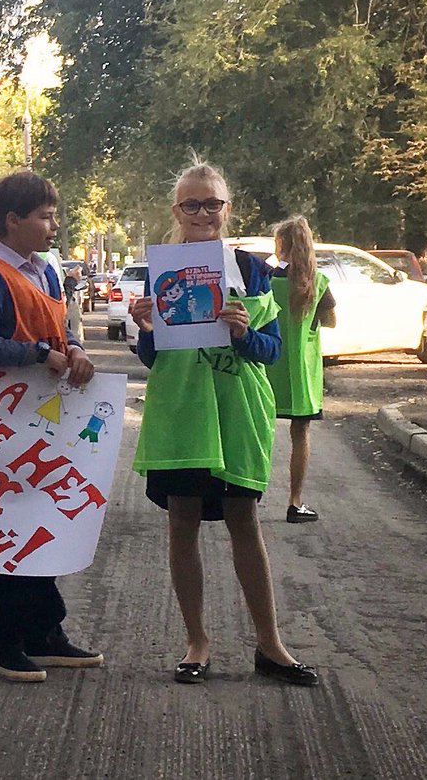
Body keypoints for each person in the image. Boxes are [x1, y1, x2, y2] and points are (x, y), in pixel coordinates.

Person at [130, 162, 318, 687]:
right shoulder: (158, 268)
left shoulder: (253, 270)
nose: (203, 213)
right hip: (182, 412)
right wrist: (145, 328)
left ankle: (270, 643)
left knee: (244, 520)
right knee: (181, 520)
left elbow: (272, 348)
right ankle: (197, 641)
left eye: (212, 203)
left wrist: (242, 334)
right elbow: (153, 356)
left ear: (227, 208)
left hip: (237, 412)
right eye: (192, 204)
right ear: (177, 211)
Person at [0, 170, 103, 682]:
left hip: (44, 424)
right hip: (3, 427)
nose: (53, 225)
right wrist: (39, 354)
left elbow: (63, 327)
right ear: (13, 222)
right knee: (5, 534)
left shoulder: (45, 271)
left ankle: (45, 632)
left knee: (43, 527)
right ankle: (2, 641)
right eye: (44, 217)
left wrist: (76, 349)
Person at [267, 215, 336, 523]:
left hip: (266, 367)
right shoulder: (318, 284)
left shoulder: (265, 280)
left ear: (280, 245)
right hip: (301, 373)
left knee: (259, 430)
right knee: (300, 434)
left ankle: (247, 495)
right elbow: (332, 321)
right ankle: (295, 502)